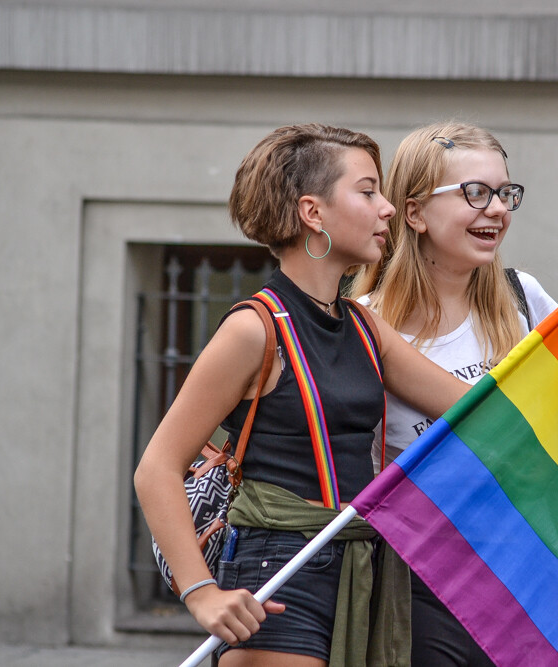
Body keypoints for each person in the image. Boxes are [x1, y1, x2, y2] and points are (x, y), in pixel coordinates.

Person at [134, 123, 475, 667]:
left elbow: (474, 408)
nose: (387, 208)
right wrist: (201, 593)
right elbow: (157, 468)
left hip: (358, 572)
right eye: (367, 192)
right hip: (278, 578)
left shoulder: (364, 326)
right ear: (313, 213)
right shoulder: (254, 328)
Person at [352, 121, 558, 666]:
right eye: (475, 193)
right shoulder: (367, 324)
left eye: (505, 193)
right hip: (424, 581)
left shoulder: (526, 299)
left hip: (530, 571)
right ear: (414, 213)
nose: (497, 209)